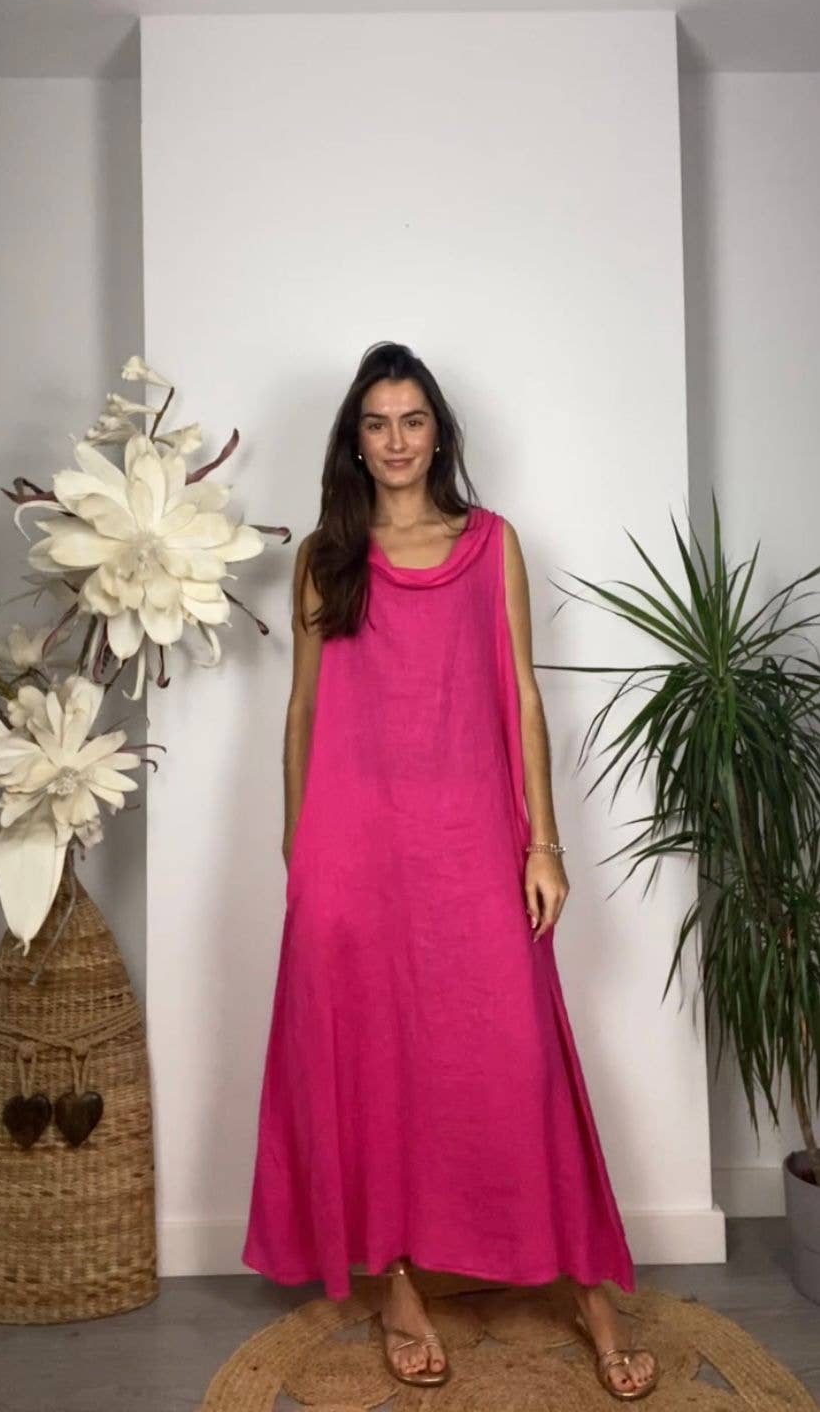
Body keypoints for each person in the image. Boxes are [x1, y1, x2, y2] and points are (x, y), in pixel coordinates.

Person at [242, 341, 659, 1400]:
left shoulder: (491, 544)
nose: (396, 440)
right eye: (376, 423)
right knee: (369, 1062)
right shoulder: (326, 558)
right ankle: (397, 1288)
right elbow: (301, 709)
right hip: (352, 848)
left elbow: (522, 693)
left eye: (413, 419)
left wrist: (544, 842)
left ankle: (592, 1296)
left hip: (473, 840)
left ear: (439, 433)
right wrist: (299, 846)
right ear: (355, 440)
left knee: (518, 1055)